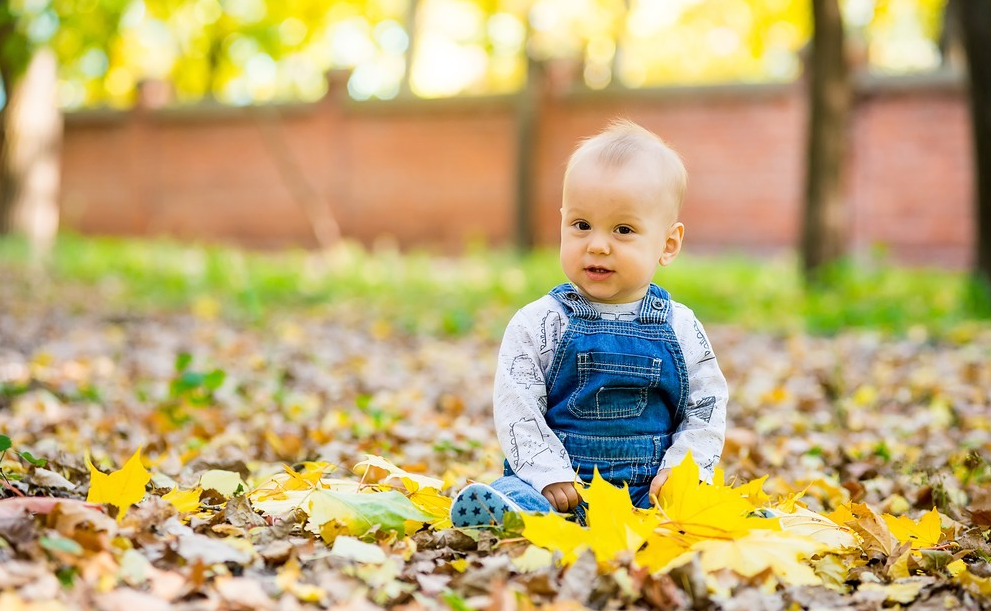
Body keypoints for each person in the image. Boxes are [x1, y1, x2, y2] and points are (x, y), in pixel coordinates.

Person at [451, 118, 728, 527]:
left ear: (667, 244)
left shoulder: (680, 327)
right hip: (559, 488)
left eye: (623, 229)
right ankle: (508, 512)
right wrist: (547, 473)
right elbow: (517, 406)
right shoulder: (541, 322)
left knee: (697, 513)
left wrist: (684, 471)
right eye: (581, 225)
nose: (597, 244)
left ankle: (731, 520)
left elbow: (706, 405)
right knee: (520, 494)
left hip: (649, 492)